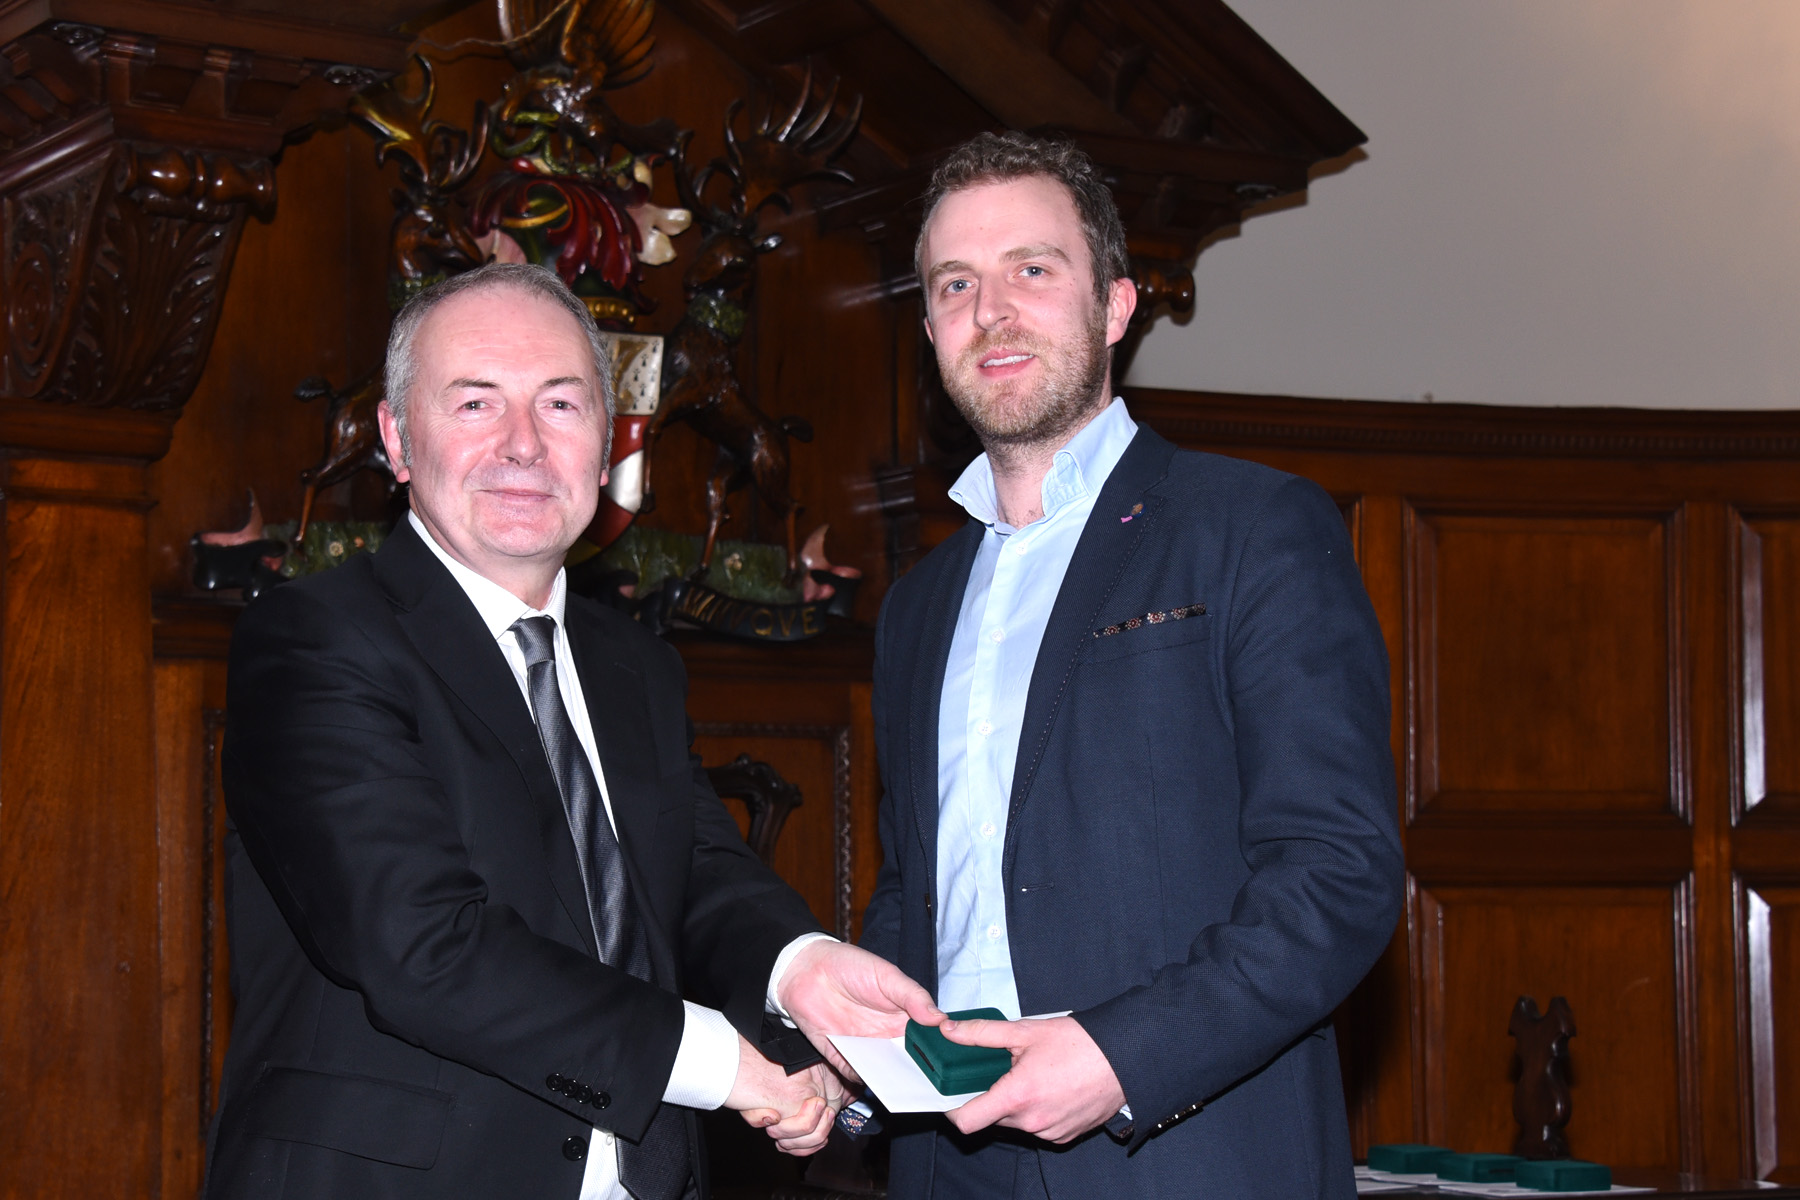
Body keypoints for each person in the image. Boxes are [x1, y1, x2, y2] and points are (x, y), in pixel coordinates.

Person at [207, 262, 939, 1200]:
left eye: (560, 404)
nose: (523, 445)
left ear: (606, 449)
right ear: (396, 439)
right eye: (475, 403)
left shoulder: (635, 662)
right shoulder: (313, 639)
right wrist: (725, 1065)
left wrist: (801, 969)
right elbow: (422, 946)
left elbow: (694, 872)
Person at [859, 132, 1405, 1198]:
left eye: (1032, 269)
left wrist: (1119, 1059)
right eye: (956, 284)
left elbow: (1339, 872)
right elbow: (913, 890)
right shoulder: (917, 606)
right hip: (942, 1157)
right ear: (930, 330)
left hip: (1177, 1151)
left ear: (1115, 304)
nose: (991, 310)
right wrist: (855, 1058)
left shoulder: (1253, 528)